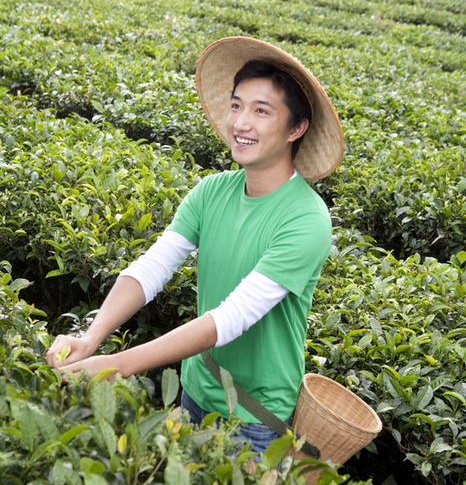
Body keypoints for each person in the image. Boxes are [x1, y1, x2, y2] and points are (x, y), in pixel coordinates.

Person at [46, 36, 343, 455]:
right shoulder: (212, 191)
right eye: (236, 105)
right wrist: (91, 338)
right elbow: (153, 267)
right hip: (195, 391)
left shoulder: (306, 219)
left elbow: (232, 318)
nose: (241, 122)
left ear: (296, 128)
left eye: (262, 111)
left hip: (256, 420)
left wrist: (118, 365)